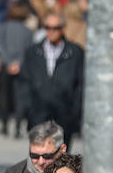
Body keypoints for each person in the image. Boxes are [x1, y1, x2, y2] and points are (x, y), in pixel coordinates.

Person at [17, 13, 84, 142]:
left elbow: (81, 83)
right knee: (41, 156)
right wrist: (27, 108)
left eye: (55, 28)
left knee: (61, 157)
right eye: (47, 27)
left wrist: (75, 110)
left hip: (65, 112)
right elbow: (24, 81)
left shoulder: (75, 52)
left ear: (63, 28)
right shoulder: (33, 52)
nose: (51, 31)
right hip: (38, 112)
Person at [0, 0, 34, 138]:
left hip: (6, 65)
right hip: (20, 66)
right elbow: (28, 50)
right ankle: (17, 125)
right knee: (19, 97)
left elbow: (1, 46)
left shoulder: (2, 28)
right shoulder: (28, 31)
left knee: (4, 95)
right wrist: (18, 63)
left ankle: (4, 124)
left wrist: (8, 62)